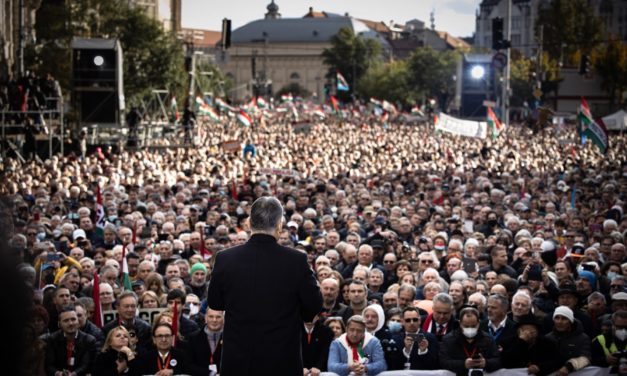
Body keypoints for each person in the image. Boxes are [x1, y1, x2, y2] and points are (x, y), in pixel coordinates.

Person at [207, 196, 322, 375]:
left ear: (249, 223)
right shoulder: (296, 260)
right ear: (279, 225)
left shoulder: (224, 259)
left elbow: (215, 302)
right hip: (281, 360)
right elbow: (314, 304)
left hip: (238, 360)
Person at [439, 306, 501, 376]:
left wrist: (486, 363)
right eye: (466, 326)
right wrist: (463, 364)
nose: (470, 329)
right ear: (460, 323)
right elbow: (443, 362)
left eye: (473, 326)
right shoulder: (449, 339)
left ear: (478, 323)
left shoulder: (487, 339)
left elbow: (498, 360)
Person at [42, 307, 98, 376]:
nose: (70, 323)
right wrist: (59, 374)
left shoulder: (89, 340)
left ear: (78, 321)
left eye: (73, 319)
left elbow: (86, 365)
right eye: (66, 320)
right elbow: (49, 365)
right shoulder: (52, 339)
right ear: (59, 324)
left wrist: (74, 374)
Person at [128, 323, 197, 376]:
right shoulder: (146, 357)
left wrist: (173, 371)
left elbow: (191, 371)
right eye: (160, 336)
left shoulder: (182, 355)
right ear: (154, 339)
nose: (164, 339)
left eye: (167, 336)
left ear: (172, 338)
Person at [546, 306, 591, 376]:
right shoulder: (548, 338)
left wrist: (569, 367)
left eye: (564, 318)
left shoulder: (583, 338)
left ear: (570, 321)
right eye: (557, 318)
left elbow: (585, 358)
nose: (559, 322)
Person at [186, 309, 225, 375]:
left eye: (218, 317)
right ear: (206, 318)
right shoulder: (193, 338)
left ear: (223, 319)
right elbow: (189, 365)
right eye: (211, 316)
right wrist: (210, 374)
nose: (214, 320)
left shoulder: (231, 339)